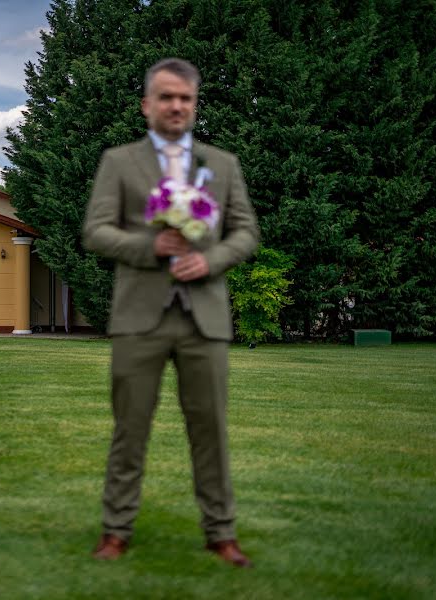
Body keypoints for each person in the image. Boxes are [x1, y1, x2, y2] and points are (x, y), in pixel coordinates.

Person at [82, 58, 259, 567]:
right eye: (166, 97)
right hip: (140, 317)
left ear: (194, 104)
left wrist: (210, 258)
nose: (176, 106)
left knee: (211, 430)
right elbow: (96, 231)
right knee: (129, 429)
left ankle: (221, 534)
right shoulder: (118, 162)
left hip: (204, 316)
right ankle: (116, 531)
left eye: (184, 98)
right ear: (147, 105)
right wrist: (149, 244)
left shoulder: (222, 165)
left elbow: (245, 231)